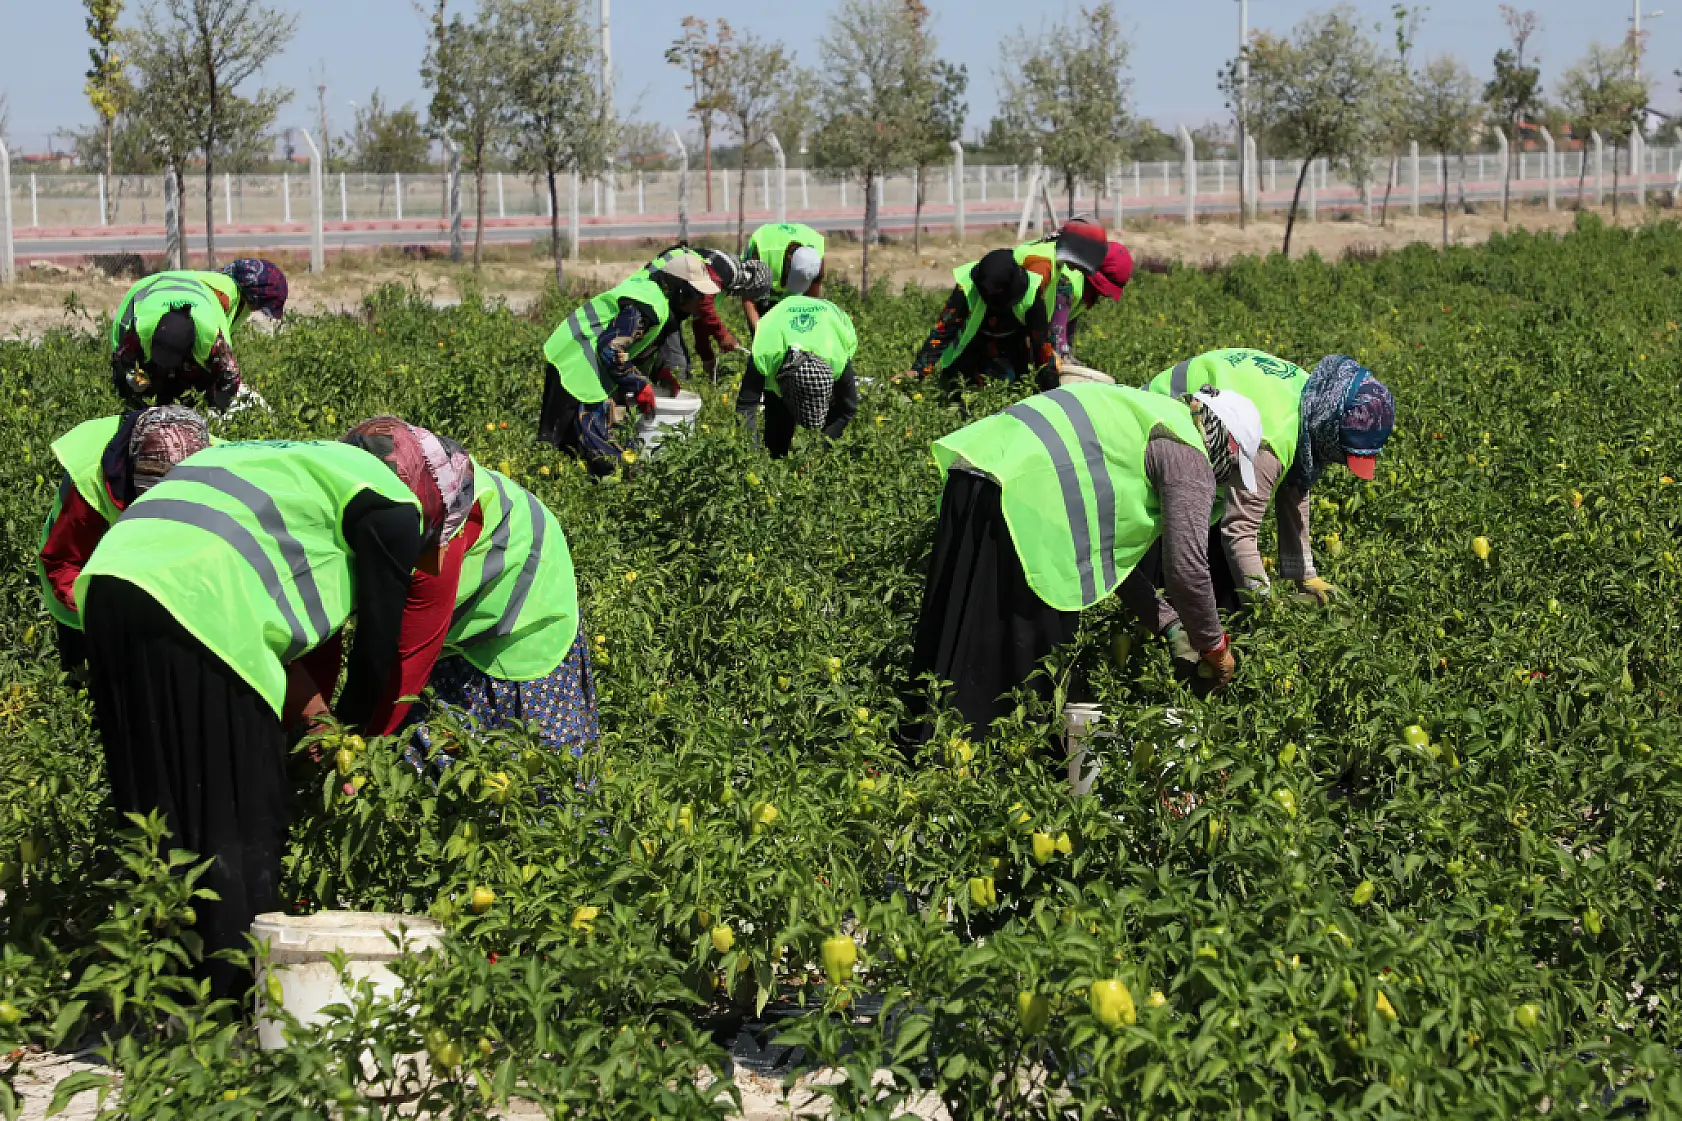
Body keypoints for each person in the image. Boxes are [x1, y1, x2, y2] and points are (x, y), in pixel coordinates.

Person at [75, 433, 460, 999]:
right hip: (203, 597)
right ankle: (236, 1008)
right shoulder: (395, 505)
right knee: (239, 816)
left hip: (109, 583)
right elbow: (377, 659)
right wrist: (345, 746)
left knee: (157, 804)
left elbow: (287, 644)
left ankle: (165, 994)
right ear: (429, 494)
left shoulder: (285, 466)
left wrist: (317, 731)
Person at [905, 382, 1263, 737]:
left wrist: (1170, 625)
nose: (1223, 481)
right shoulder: (1190, 454)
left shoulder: (1157, 416)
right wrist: (1215, 647)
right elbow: (1187, 570)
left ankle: (923, 756)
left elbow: (1106, 561)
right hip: (1028, 496)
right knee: (1015, 670)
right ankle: (979, 772)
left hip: (979, 467)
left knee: (955, 633)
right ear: (1228, 446)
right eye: (1231, 470)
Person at [346, 425, 596, 759]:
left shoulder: (438, 529)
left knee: (529, 762)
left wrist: (361, 738)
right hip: (466, 603)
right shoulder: (382, 494)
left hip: (526, 609)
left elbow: (410, 652)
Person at [1147, 350, 1396, 606]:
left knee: (1220, 581)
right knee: (1187, 584)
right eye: (1343, 453)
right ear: (1330, 429)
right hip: (1154, 430)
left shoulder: (1315, 394)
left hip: (1192, 432)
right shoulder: (1272, 440)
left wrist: (1305, 574)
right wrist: (1265, 607)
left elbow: (1295, 484)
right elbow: (1239, 528)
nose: (1340, 461)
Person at [36, 407, 211, 674]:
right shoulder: (88, 485)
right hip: (81, 574)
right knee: (90, 679)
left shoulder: (216, 463)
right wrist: (106, 619)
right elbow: (63, 564)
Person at [536, 254, 722, 474]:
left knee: (571, 446)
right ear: (681, 291)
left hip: (583, 364)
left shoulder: (657, 302)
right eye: (698, 295)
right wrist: (638, 384)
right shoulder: (649, 305)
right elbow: (611, 348)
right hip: (575, 362)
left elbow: (639, 345)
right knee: (578, 446)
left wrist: (659, 371)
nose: (701, 304)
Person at [906, 248, 1057, 394]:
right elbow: (945, 329)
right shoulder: (968, 286)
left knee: (1011, 389)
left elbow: (1041, 342)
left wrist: (1051, 389)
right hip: (973, 345)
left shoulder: (1031, 292)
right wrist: (918, 370)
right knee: (959, 392)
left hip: (1012, 347)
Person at [735, 294, 860, 458]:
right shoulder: (766, 352)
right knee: (778, 425)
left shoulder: (837, 359)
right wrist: (752, 458)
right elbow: (745, 407)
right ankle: (777, 454)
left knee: (834, 416)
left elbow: (847, 409)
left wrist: (820, 450)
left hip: (828, 316)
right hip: (781, 316)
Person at [633, 245, 772, 391]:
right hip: (654, 301)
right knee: (677, 366)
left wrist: (707, 356)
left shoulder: (723, 269)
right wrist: (723, 336)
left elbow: (700, 319)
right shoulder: (725, 270)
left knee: (658, 359)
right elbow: (704, 303)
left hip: (660, 302)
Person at [109, 272, 243, 411]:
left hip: (201, 296)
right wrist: (132, 388)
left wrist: (214, 411)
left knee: (205, 383)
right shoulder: (139, 329)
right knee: (141, 389)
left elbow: (230, 378)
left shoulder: (212, 339)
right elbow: (121, 364)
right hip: (147, 287)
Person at [742, 221, 826, 333]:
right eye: (791, 276)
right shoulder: (761, 250)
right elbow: (748, 299)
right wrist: (760, 335)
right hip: (762, 288)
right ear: (789, 259)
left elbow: (810, 301)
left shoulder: (816, 255)